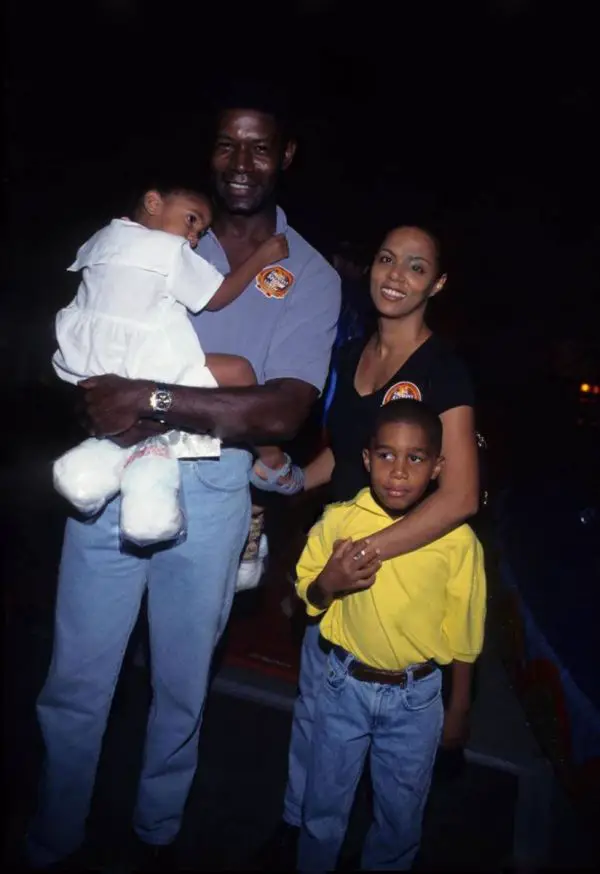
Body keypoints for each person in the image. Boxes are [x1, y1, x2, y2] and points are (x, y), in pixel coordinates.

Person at [25, 85, 341, 871]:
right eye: (228, 145)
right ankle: (51, 834)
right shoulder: (158, 233)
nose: (242, 163)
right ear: (209, 154)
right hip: (113, 477)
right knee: (75, 682)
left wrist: (153, 397)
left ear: (286, 156)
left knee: (181, 687)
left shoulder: (310, 275)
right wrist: (112, 396)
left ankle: (156, 835)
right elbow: (90, 355)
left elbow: (282, 411)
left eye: (260, 147)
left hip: (214, 491)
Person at [257, 224, 480, 866]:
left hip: (397, 559)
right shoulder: (348, 349)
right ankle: (298, 829)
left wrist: (370, 550)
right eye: (387, 259)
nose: (395, 274)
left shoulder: (445, 371)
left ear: (435, 284)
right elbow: (347, 457)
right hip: (338, 546)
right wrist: (296, 482)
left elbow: (460, 496)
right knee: (316, 709)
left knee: (385, 759)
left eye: (416, 267)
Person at [295, 399, 486, 871]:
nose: (398, 472)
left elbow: (464, 631)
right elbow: (307, 591)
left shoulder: (457, 541)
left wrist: (458, 707)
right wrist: (328, 584)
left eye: (415, 458)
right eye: (385, 455)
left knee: (400, 816)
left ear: (439, 467)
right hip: (343, 686)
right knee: (323, 803)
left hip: (416, 699)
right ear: (366, 459)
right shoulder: (340, 520)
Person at [52, 184, 290, 546]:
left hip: (92, 366)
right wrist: (263, 256)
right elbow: (217, 297)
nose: (192, 238)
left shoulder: (101, 240)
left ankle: (116, 471)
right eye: (191, 221)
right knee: (239, 372)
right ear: (153, 202)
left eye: (199, 233)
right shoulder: (166, 248)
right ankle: (272, 460)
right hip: (144, 367)